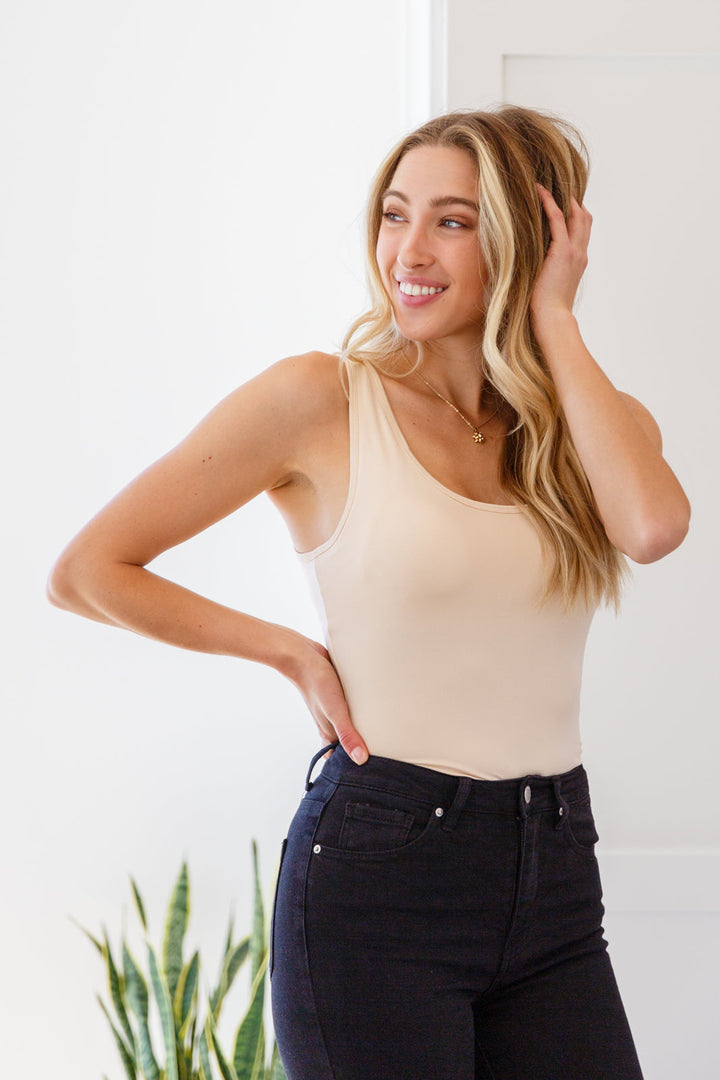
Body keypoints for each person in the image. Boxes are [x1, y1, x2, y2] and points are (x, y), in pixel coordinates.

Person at [48, 104, 690, 1079]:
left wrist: (555, 318)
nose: (409, 251)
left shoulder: (579, 428)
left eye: (453, 221)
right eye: (395, 214)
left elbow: (653, 528)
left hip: (555, 868)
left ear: (527, 242)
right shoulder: (320, 400)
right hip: (380, 878)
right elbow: (87, 570)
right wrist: (288, 651)